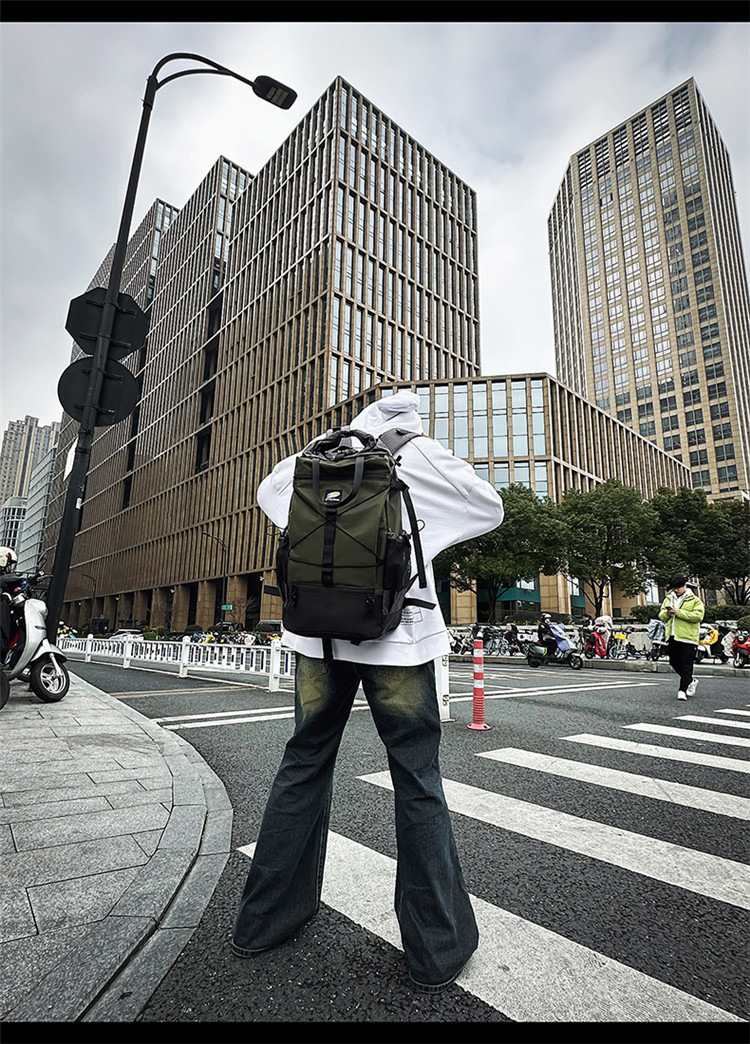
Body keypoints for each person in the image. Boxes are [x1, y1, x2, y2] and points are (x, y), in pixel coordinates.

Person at [232, 391, 504, 993]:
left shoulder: (316, 454)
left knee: (304, 762)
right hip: (398, 639)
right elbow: (490, 507)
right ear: (411, 423)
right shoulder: (419, 454)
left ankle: (263, 922)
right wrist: (428, 523)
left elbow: (270, 496)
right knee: (416, 775)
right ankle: (435, 951)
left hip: (316, 639)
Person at [659, 574, 705, 700]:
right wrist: (667, 613)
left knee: (686, 664)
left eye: (678, 587)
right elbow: (661, 615)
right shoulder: (669, 599)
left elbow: (698, 616)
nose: (676, 590)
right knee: (673, 662)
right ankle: (690, 680)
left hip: (688, 637)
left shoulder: (695, 600)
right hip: (672, 635)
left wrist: (678, 612)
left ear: (685, 585)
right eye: (674, 588)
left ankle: (682, 690)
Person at [0, 546, 19, 661]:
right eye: (9, 564)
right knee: (3, 602)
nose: (10, 568)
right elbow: (7, 580)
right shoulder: (3, 579)